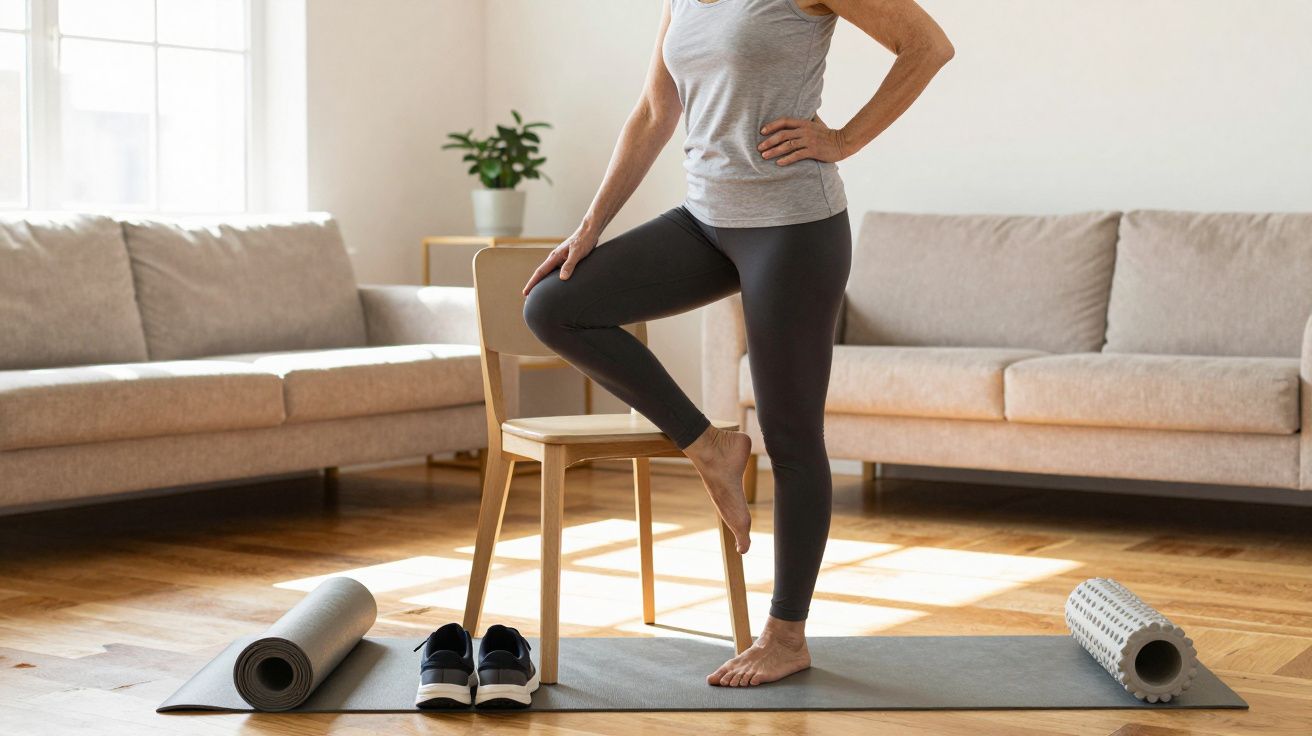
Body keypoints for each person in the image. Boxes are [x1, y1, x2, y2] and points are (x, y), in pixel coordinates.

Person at [521, 0, 953, 687]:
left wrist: (842, 139)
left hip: (793, 226)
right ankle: (708, 445)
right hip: (704, 221)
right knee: (555, 305)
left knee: (790, 434)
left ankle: (785, 635)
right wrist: (590, 226)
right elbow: (654, 113)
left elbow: (928, 46)